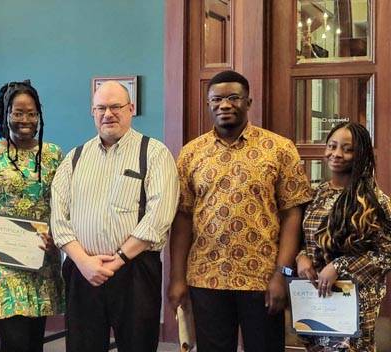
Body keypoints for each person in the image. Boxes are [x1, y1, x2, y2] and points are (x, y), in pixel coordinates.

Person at [167, 70, 313, 351]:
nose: (225, 105)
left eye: (234, 98)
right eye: (217, 99)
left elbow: (293, 213)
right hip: (206, 276)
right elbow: (182, 218)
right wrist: (176, 278)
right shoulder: (190, 153)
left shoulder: (279, 148)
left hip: (262, 277)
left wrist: (282, 273)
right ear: (209, 103)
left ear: (249, 102)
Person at [50, 80, 179, 352]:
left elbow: (159, 216)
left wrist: (118, 259)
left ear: (131, 109)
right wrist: (84, 262)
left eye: (116, 106)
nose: (108, 114)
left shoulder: (154, 153)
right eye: (101, 108)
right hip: (82, 272)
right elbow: (59, 220)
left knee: (137, 346)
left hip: (135, 271)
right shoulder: (74, 158)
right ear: (93, 112)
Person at [0, 80, 64, 352]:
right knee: (15, 342)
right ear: (5, 114)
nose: (25, 119)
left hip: (40, 261)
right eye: (18, 112)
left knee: (33, 342)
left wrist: (57, 238)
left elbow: (63, 206)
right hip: (1, 262)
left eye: (31, 113)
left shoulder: (54, 154)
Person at [296, 122, 391, 351]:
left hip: (355, 304)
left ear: (361, 155)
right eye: (332, 146)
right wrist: (301, 257)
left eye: (347, 149)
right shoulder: (316, 194)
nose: (337, 154)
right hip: (317, 301)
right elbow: (307, 240)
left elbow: (386, 253)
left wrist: (340, 265)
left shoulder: (375, 202)